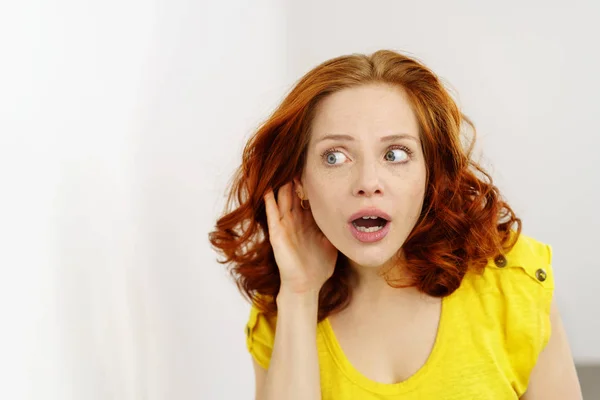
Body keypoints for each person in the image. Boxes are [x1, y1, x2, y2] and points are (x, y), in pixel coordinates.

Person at [208, 50, 582, 399]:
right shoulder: (281, 308)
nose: (368, 181)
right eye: (335, 156)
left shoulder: (513, 283)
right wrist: (301, 296)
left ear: (429, 171)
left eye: (395, 154)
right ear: (301, 182)